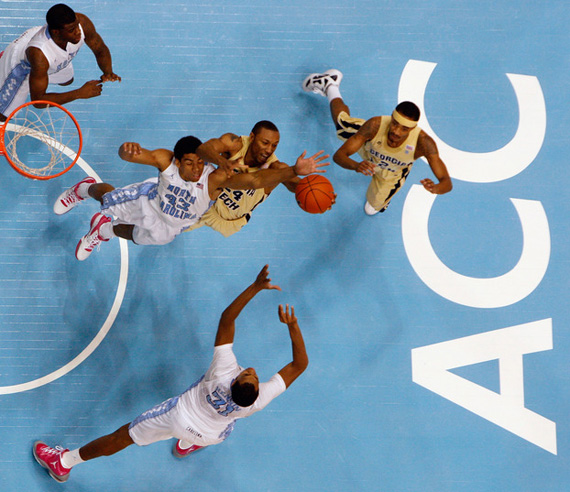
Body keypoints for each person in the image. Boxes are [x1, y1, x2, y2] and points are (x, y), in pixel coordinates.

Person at [33, 265, 309, 483]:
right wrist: (294, 327)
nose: (252, 371)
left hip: (179, 416)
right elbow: (299, 365)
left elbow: (227, 318)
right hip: (211, 435)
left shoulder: (222, 371)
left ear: (236, 380)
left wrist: (255, 288)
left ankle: (63, 462)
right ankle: (188, 445)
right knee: (222, 426)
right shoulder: (257, 402)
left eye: (248, 374)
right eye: (253, 375)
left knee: (123, 436)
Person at [53, 135, 328, 260]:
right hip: (149, 202)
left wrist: (294, 171)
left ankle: (103, 230)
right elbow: (132, 155)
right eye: (190, 164)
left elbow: (254, 180)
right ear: (177, 160)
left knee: (140, 237)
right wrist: (128, 151)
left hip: (172, 226)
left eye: (199, 163)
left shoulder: (213, 179)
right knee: (107, 200)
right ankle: (84, 188)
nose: (196, 169)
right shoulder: (165, 161)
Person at [302, 69, 452, 215]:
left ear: (412, 129)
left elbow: (446, 182)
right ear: (391, 118)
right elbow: (339, 156)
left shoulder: (424, 143)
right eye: (394, 124)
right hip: (367, 147)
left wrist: (436, 188)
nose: (396, 132)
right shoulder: (374, 125)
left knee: (373, 207)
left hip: (392, 172)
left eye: (404, 129)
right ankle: (330, 85)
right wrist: (357, 166)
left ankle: (382, 201)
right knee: (343, 124)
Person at [185, 120, 334, 237]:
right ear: (252, 137)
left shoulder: (275, 168)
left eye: (274, 146)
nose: (269, 150)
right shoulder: (234, 144)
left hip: (230, 221)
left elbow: (298, 186)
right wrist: (223, 162)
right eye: (265, 143)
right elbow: (203, 149)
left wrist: (322, 197)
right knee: (169, 223)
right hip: (207, 202)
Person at [0, 3, 121, 121]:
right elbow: (38, 100)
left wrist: (107, 71)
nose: (78, 32)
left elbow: (100, 49)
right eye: (71, 30)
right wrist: (79, 93)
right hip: (21, 65)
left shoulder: (82, 23)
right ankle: (3, 59)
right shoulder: (39, 54)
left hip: (46, 56)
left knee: (67, 81)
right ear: (56, 32)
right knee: (3, 116)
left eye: (77, 26)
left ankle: (40, 75)